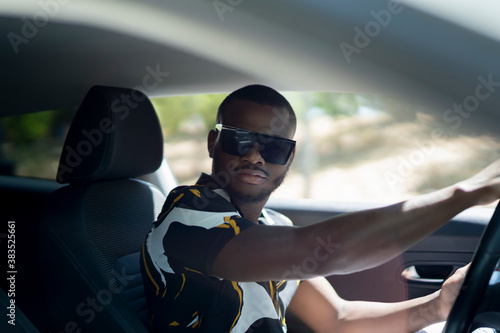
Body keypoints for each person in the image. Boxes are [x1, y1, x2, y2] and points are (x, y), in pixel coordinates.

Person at [141, 84, 500, 332]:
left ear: (290, 157)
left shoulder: (271, 224)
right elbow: (318, 251)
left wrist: (438, 306)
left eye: (273, 147)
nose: (254, 156)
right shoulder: (187, 216)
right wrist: (466, 193)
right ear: (213, 142)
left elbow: (338, 320)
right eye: (239, 140)